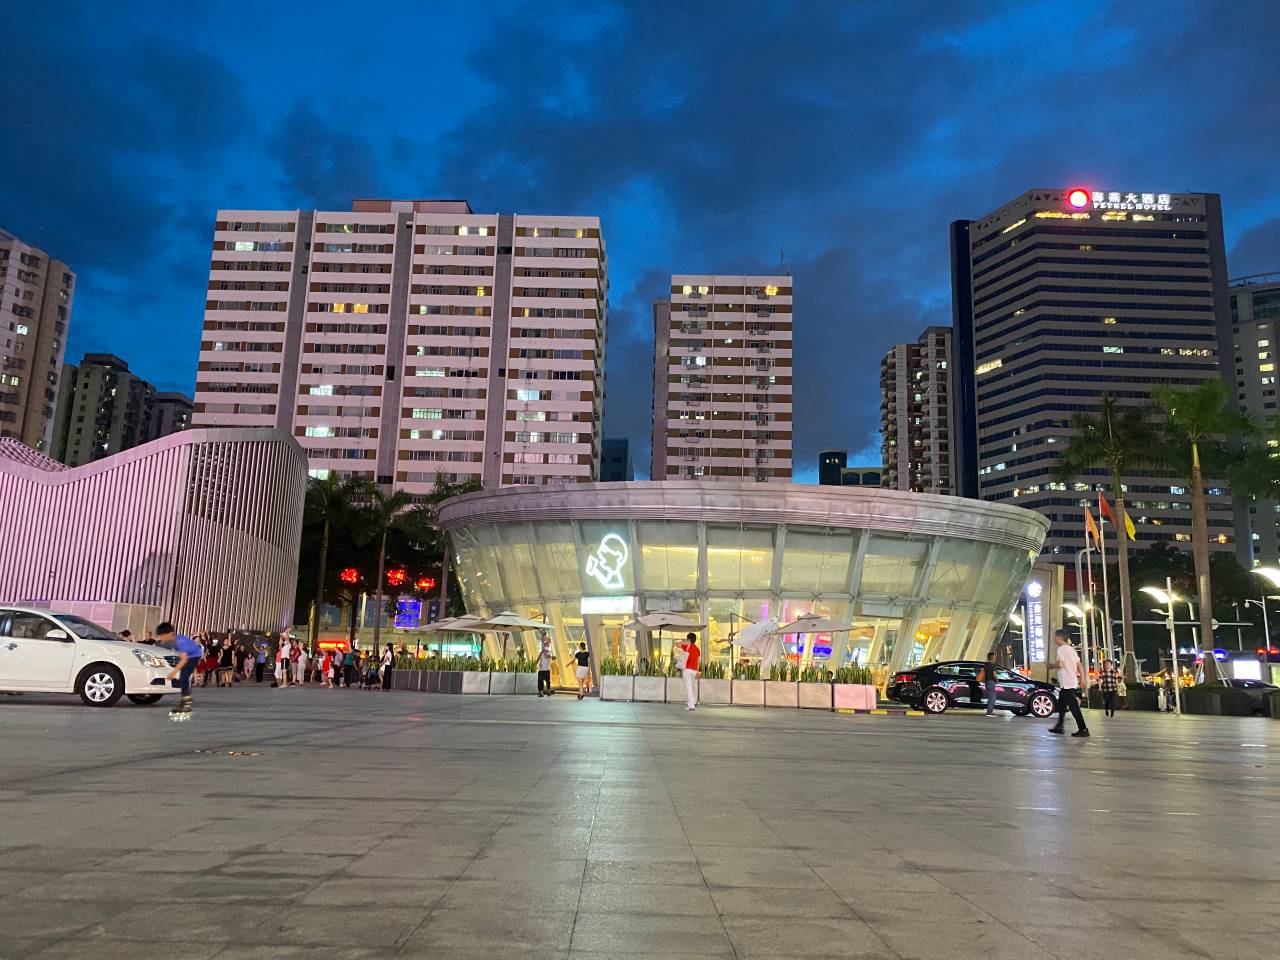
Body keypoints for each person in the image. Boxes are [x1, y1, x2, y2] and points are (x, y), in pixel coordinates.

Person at [1049, 629, 1089, 737]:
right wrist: (1083, 680)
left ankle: (1083, 729)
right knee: (1061, 704)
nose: (1054, 639)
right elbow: (1080, 665)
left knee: (1074, 707)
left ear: (1059, 638)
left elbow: (1061, 665)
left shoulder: (1061, 649)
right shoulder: (1072, 649)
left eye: (1055, 637)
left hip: (1066, 683)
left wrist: (1051, 666)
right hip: (1071, 681)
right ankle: (1059, 726)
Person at [158, 621, 201, 718]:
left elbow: (184, 659)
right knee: (183, 678)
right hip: (190, 655)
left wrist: (173, 672)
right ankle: (185, 700)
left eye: (163, 636)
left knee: (184, 677)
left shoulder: (180, 641)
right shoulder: (174, 641)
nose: (162, 638)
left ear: (170, 634)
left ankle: (187, 703)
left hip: (194, 656)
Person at [675, 632, 701, 711]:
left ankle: (691, 705)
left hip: (687, 669)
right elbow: (698, 661)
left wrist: (685, 641)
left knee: (689, 688)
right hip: (694, 670)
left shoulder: (687, 646)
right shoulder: (697, 649)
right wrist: (697, 671)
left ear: (688, 639)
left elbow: (677, 644)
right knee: (692, 687)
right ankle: (693, 702)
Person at [978, 651, 998, 717]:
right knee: (992, 697)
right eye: (994, 656)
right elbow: (994, 674)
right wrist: (997, 681)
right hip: (991, 682)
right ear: (992, 657)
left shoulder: (986, 665)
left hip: (987, 682)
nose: (995, 657)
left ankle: (990, 711)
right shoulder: (992, 665)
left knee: (991, 697)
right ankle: (989, 712)